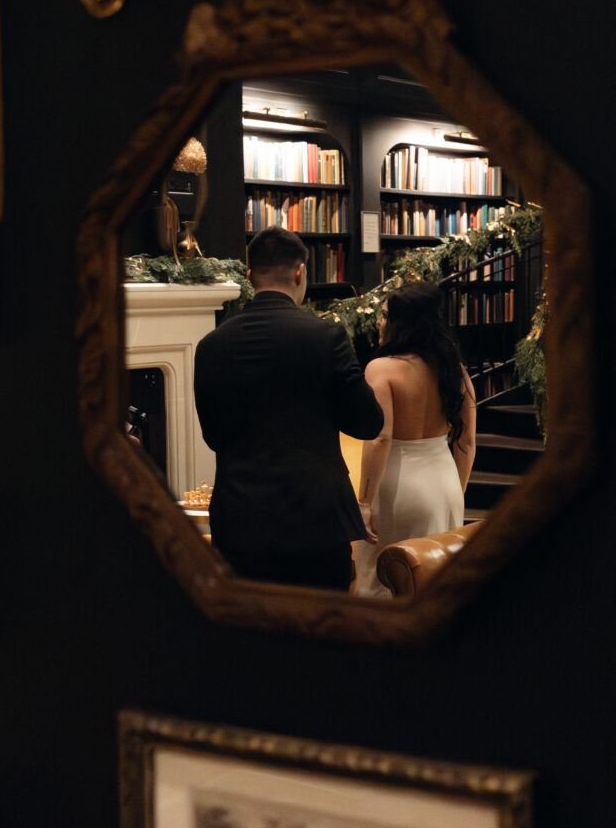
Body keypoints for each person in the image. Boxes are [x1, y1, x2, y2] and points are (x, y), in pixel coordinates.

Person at [193, 226, 384, 591]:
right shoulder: (325, 336)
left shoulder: (211, 345)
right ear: (300, 272)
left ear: (249, 277)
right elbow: (368, 422)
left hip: (240, 521)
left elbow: (214, 435)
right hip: (316, 521)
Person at [353, 281, 476, 598]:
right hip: (444, 483)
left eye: (384, 315)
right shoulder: (455, 371)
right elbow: (466, 442)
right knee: (434, 585)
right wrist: (456, 491)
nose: (379, 322)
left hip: (397, 487)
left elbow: (381, 438)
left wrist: (364, 502)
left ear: (401, 323)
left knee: (382, 583)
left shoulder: (381, 369)